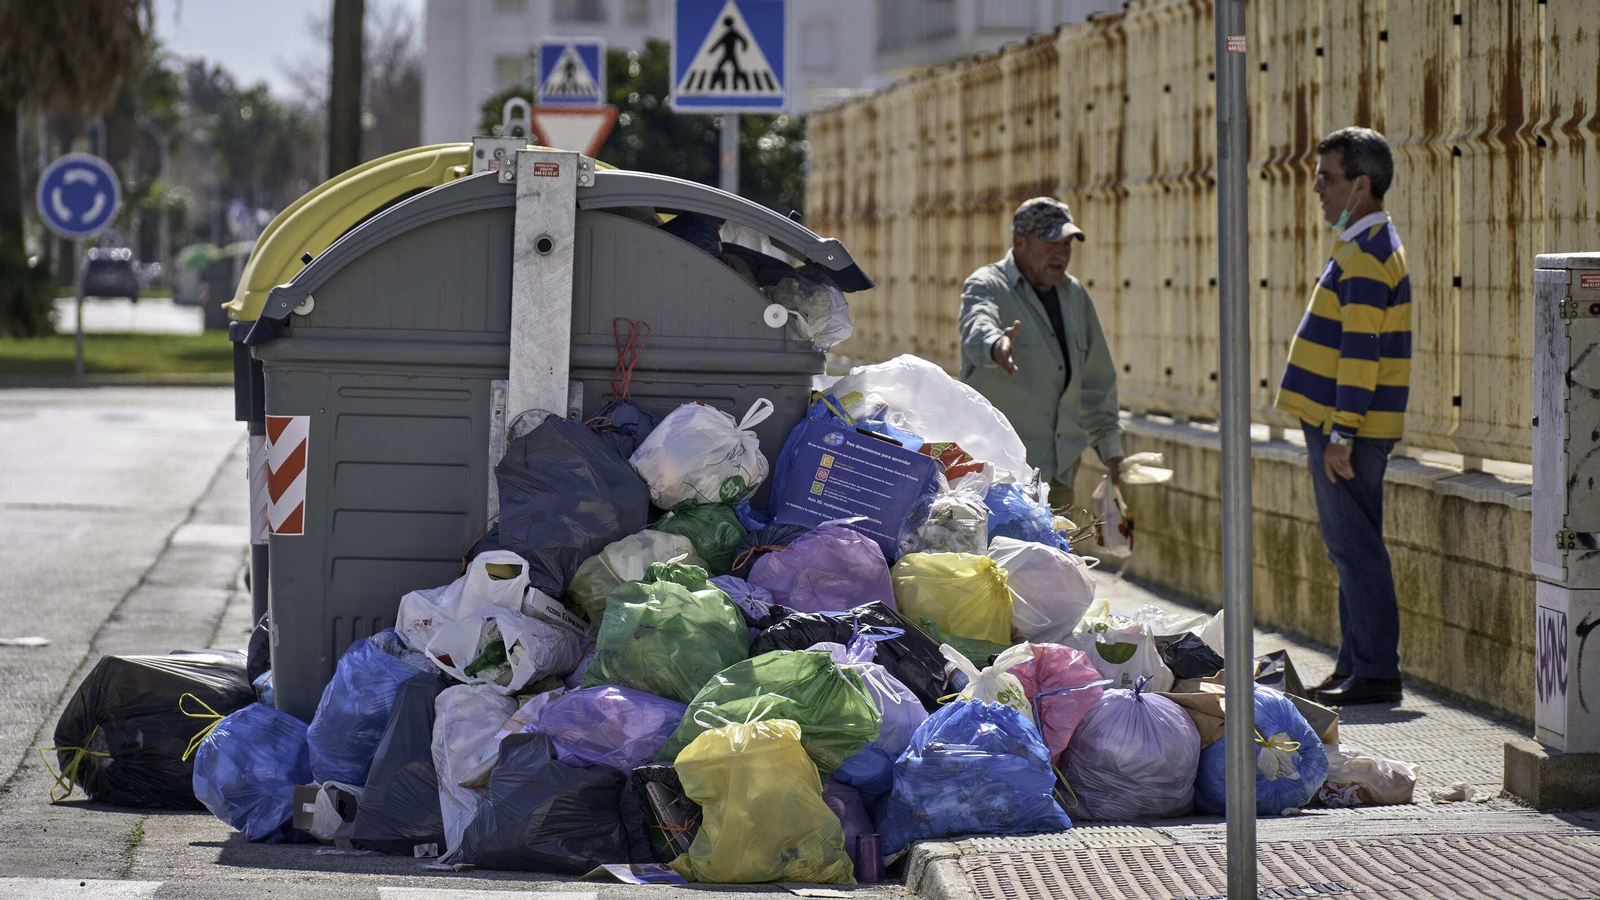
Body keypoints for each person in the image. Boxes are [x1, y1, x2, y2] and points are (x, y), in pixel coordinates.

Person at [1275, 127, 1411, 706]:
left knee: (1355, 548)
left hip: (1346, 430)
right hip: (1342, 427)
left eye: (1327, 178)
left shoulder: (1367, 254)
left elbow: (1361, 352)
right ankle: (1356, 664)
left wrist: (1341, 433)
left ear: (1361, 184)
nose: (1318, 190)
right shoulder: (1362, 245)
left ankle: (1377, 671)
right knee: (1348, 548)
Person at [959, 197, 1123, 507]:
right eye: (1050, 242)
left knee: (1055, 555)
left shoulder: (1075, 297)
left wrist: (1111, 451)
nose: (1061, 252)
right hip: (999, 477)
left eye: (1067, 243)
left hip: (1058, 475)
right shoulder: (987, 285)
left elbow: (1095, 380)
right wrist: (996, 345)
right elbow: (977, 323)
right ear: (1019, 241)